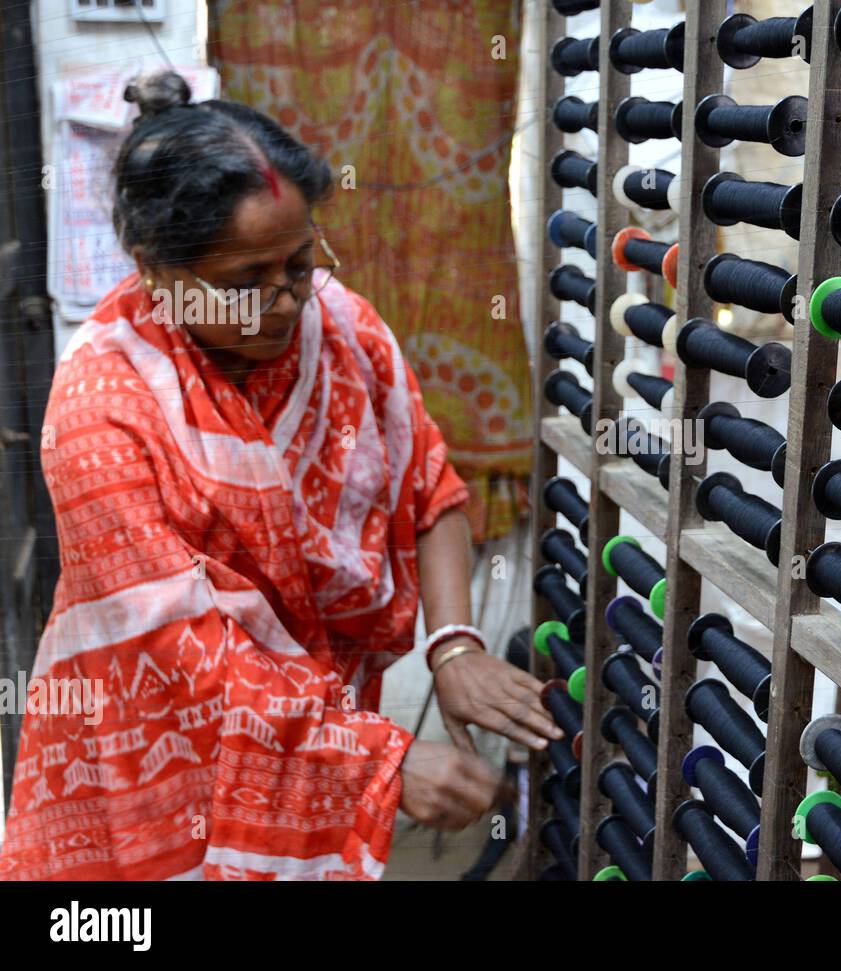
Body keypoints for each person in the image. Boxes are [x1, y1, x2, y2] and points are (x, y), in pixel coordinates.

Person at [0, 71, 561, 880]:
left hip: (317, 734)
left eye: (298, 264)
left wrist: (453, 646)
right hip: (159, 745)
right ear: (158, 272)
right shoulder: (102, 408)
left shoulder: (340, 327)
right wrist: (378, 764)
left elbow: (427, 485)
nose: (284, 301)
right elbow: (183, 652)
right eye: (243, 283)